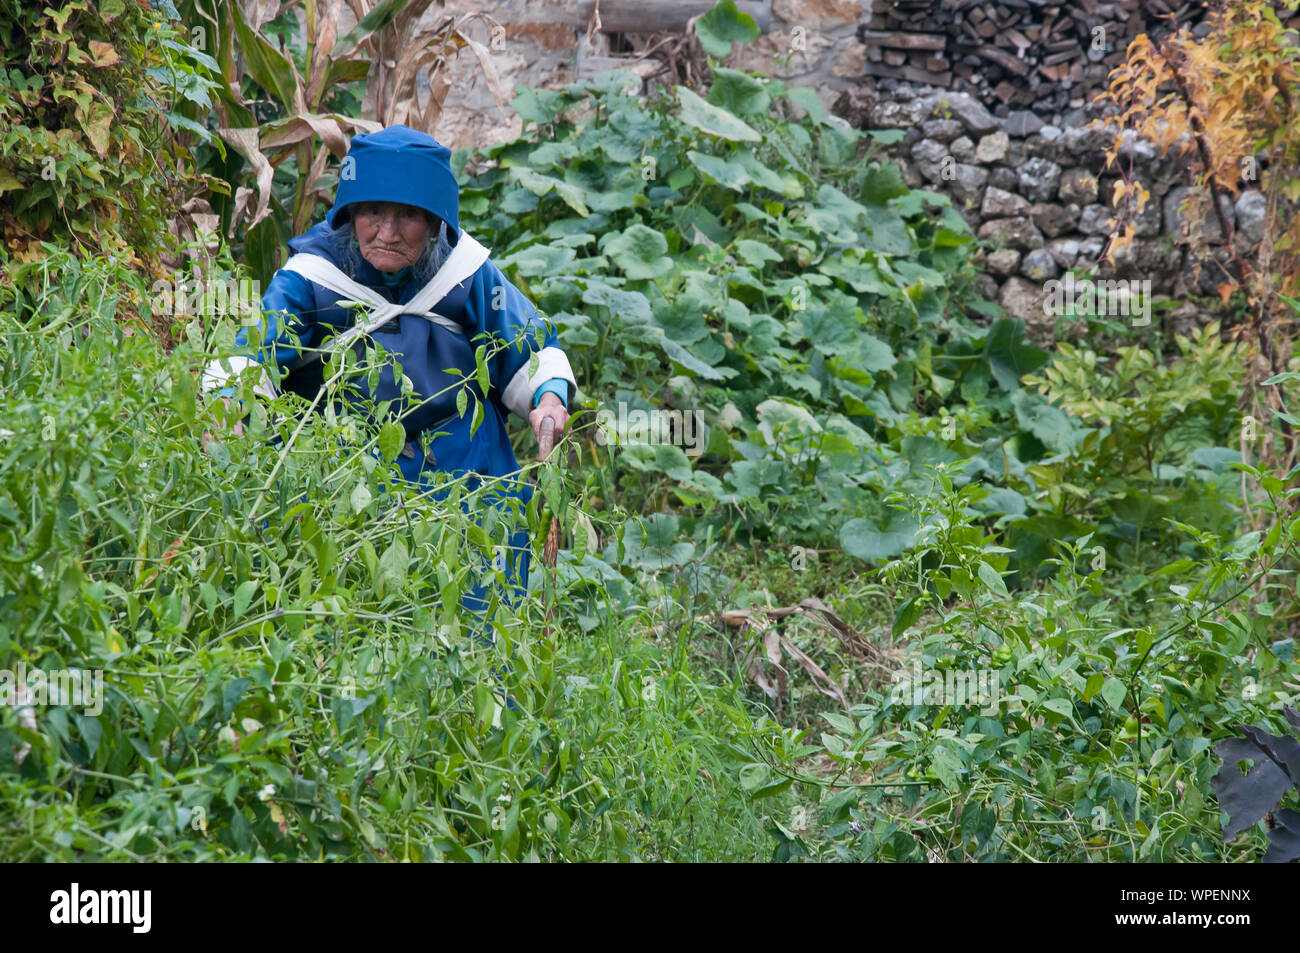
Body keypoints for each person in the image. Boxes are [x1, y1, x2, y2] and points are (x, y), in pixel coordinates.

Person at [201, 124, 575, 630]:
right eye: (373, 211)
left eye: (409, 216)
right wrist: (230, 403)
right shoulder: (313, 277)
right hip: (345, 471)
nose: (388, 232)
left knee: (477, 613)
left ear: (437, 221)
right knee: (346, 615)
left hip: (463, 475)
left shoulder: (466, 273)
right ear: (351, 212)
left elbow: (529, 347)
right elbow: (254, 352)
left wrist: (549, 397)